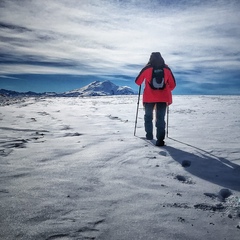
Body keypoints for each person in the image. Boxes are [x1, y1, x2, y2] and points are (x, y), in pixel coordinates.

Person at [135, 52, 176, 146]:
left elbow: (138, 82)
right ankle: (160, 140)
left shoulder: (147, 68)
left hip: (149, 97)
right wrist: (165, 90)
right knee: (160, 118)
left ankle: (149, 136)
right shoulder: (167, 69)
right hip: (163, 98)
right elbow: (173, 85)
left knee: (148, 117)